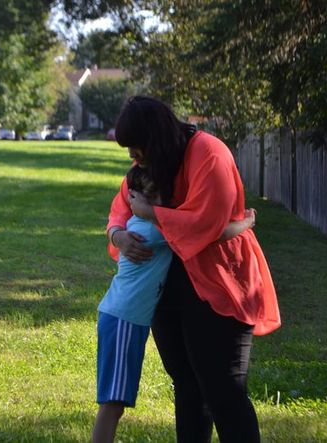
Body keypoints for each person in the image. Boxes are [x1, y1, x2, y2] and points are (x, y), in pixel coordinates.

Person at [106, 96, 281, 442]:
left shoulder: (208, 153)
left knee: (223, 389)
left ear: (155, 139)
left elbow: (207, 223)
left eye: (136, 148)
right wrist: (118, 235)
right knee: (186, 385)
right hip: (166, 284)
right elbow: (120, 209)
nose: (132, 157)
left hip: (219, 283)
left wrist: (152, 214)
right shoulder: (149, 166)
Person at [93, 165, 257, 443]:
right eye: (155, 196)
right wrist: (245, 223)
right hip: (123, 322)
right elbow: (207, 233)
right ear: (136, 199)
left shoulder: (148, 226)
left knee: (116, 402)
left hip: (124, 319)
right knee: (112, 404)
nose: (164, 202)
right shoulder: (149, 230)